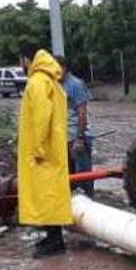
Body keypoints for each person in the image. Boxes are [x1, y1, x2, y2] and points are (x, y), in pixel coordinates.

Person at [17, 44, 73, 258]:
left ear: (27, 59)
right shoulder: (51, 80)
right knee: (51, 194)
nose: (21, 65)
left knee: (45, 195)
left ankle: (55, 241)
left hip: (43, 151)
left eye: (21, 60)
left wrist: (37, 147)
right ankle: (52, 237)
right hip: (53, 148)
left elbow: (42, 116)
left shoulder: (38, 82)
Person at [54, 56, 94, 196]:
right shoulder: (56, 85)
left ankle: (90, 207)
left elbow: (82, 113)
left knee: (84, 178)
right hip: (64, 138)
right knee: (68, 179)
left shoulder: (75, 84)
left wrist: (80, 138)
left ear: (63, 68)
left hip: (77, 139)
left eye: (55, 68)